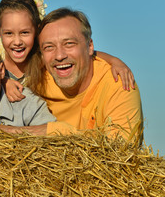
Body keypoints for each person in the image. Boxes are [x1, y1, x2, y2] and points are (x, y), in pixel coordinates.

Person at [24, 7, 143, 140]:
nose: (59, 55)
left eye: (69, 44)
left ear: (90, 46)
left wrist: (53, 131)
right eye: (49, 47)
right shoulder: (35, 83)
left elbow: (121, 153)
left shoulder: (118, 83)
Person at [0, 0, 135, 102]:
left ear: (37, 30)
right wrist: (3, 81)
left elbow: (86, 51)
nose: (17, 41)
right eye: (8, 33)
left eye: (25, 33)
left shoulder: (40, 55)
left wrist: (115, 61)